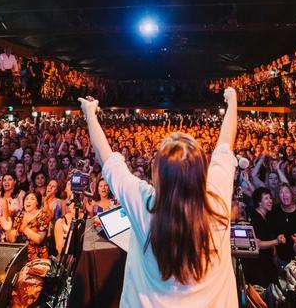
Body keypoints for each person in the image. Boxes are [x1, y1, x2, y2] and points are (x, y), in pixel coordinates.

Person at [79, 88, 238, 307]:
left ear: (158, 173)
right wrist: (232, 102)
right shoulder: (217, 199)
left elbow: (107, 160)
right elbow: (225, 146)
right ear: (202, 172)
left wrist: (90, 113)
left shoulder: (145, 203)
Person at [246, 187, 284, 287]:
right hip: (258, 266)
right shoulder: (255, 218)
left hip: (266, 263)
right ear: (259, 202)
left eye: (270, 198)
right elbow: (257, 243)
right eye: (266, 198)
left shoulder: (265, 217)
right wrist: (277, 241)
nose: (270, 201)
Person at [5, 191, 52, 261]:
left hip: (37, 257)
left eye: (32, 199)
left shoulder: (43, 216)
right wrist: (8, 229)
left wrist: (25, 229)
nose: (28, 201)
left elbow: (39, 239)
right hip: (19, 255)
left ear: (37, 203)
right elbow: (12, 240)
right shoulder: (19, 216)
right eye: (26, 199)